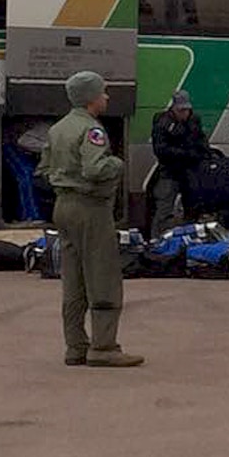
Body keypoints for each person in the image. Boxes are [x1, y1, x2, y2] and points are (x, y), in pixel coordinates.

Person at [45, 71, 140, 367]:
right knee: (103, 275)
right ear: (90, 98)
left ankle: (75, 346)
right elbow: (95, 168)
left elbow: (44, 167)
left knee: (72, 279)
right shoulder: (91, 130)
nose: (107, 97)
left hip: (63, 206)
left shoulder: (58, 128)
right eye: (103, 92)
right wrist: (117, 163)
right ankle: (104, 346)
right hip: (91, 208)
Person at [148, 89, 208, 234]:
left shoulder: (194, 120)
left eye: (187, 110)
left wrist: (201, 153)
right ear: (173, 108)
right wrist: (187, 153)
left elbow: (202, 141)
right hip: (170, 171)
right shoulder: (163, 122)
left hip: (190, 172)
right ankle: (157, 241)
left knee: (193, 209)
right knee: (164, 209)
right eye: (181, 110)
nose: (185, 113)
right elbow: (161, 150)